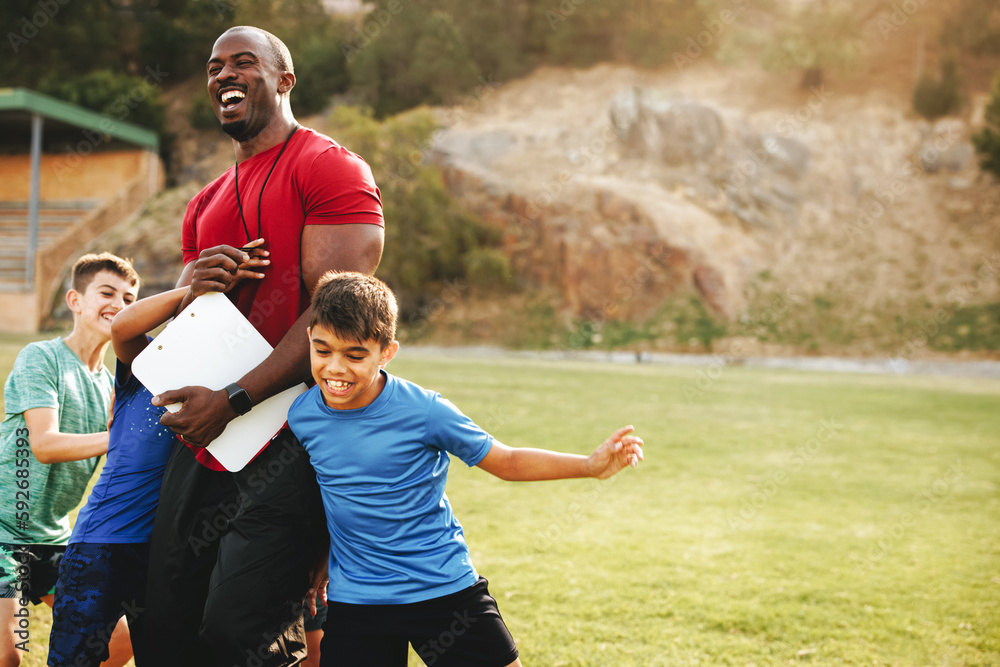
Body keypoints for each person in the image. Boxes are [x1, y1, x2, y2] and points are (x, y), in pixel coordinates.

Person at [139, 25, 384, 667]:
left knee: (238, 630)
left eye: (243, 63)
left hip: (294, 437)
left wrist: (236, 397)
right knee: (161, 615)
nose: (223, 75)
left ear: (285, 79)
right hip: (206, 431)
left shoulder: (330, 168)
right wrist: (191, 289)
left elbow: (336, 317)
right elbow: (195, 325)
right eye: (215, 67)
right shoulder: (203, 202)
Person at [287, 271, 645, 667]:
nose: (335, 368)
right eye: (323, 351)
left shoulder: (425, 411)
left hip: (442, 589)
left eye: (355, 356)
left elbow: (505, 461)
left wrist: (590, 466)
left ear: (387, 352)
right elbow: (328, 494)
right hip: (358, 599)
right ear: (309, 340)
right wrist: (320, 562)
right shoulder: (304, 415)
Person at [47, 259, 247, 667]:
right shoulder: (144, 368)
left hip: (162, 556)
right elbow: (123, 326)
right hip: (102, 545)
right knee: (71, 660)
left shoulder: (219, 397)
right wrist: (192, 294)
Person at [0, 253, 139, 667]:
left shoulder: (113, 382)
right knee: (8, 655)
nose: (120, 304)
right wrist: (118, 437)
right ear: (75, 300)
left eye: (131, 299)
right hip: (4, 527)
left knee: (120, 639)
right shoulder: (40, 357)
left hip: (53, 538)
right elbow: (44, 444)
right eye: (107, 292)